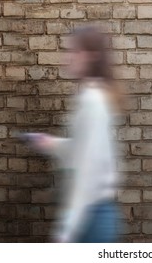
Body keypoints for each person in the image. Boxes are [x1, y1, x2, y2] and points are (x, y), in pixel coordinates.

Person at [29, 26, 123, 243]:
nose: (66, 59)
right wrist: (51, 144)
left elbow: (88, 173)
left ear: (92, 56)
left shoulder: (92, 101)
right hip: (93, 215)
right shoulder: (91, 97)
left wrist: (66, 230)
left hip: (91, 217)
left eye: (73, 52)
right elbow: (85, 150)